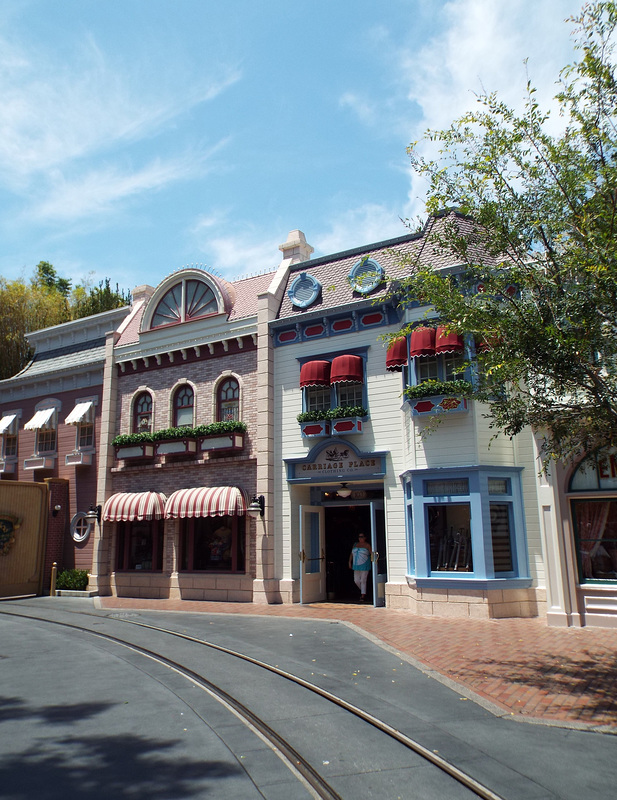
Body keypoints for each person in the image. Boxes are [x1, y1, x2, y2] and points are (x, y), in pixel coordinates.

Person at [349, 533, 372, 602]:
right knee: (356, 580)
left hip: (364, 564)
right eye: (359, 537)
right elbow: (352, 554)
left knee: (363, 580)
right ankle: (364, 591)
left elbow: (372, 554)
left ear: (365, 538)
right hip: (356, 565)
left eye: (362, 537)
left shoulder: (367, 545)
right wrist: (349, 561)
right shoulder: (355, 544)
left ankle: (363, 595)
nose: (360, 538)